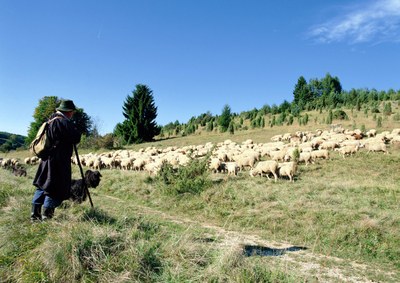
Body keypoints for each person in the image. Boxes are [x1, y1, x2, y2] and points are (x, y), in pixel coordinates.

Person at [30, 99, 81, 221]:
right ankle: (46, 217)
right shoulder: (63, 122)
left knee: (42, 187)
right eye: (72, 112)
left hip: (46, 160)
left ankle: (34, 216)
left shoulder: (50, 121)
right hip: (58, 162)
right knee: (53, 188)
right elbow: (76, 137)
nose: (72, 114)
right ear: (68, 111)